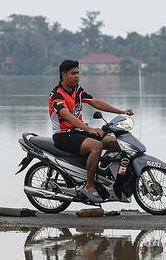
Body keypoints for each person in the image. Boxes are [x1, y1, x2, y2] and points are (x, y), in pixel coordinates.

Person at [49, 59, 133, 203]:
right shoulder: (56, 95)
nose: (77, 76)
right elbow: (67, 116)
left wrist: (121, 111)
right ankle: (89, 185)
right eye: (73, 73)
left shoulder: (78, 91)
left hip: (78, 132)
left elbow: (96, 102)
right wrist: (89, 129)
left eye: (78, 73)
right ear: (64, 74)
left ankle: (107, 177)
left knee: (115, 142)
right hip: (64, 135)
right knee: (96, 146)